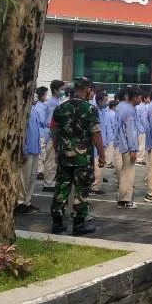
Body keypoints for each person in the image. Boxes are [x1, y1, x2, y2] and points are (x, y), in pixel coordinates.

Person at [50, 77, 105, 235]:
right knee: (81, 189)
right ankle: (79, 224)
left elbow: (54, 132)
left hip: (64, 156)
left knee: (61, 188)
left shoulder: (60, 108)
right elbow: (96, 134)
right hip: (82, 158)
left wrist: (57, 150)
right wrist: (102, 155)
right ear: (87, 89)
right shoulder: (90, 109)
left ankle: (57, 223)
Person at [17, 88, 46, 214]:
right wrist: (23, 149)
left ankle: (27, 202)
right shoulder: (23, 111)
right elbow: (20, 132)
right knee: (24, 177)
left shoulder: (33, 110)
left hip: (35, 149)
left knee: (32, 177)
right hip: (27, 149)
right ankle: (20, 202)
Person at [115, 87, 140, 209]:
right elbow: (130, 131)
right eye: (139, 97)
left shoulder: (120, 106)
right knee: (128, 173)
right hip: (127, 146)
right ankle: (124, 200)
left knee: (123, 171)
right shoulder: (129, 109)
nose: (141, 99)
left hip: (120, 144)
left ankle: (122, 197)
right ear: (134, 97)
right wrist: (133, 149)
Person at [41, 79, 65, 191]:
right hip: (52, 135)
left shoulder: (57, 101)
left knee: (54, 159)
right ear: (55, 90)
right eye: (61, 89)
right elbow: (52, 122)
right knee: (50, 159)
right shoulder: (53, 103)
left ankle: (51, 181)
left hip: (55, 135)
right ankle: (48, 183)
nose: (63, 91)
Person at [90, 92, 112, 195]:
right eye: (105, 100)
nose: (106, 103)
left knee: (101, 166)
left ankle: (96, 186)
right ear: (99, 101)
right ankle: (94, 188)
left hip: (103, 142)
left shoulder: (103, 112)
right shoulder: (94, 111)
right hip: (96, 144)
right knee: (97, 166)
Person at [135, 93, 149, 166]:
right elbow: (143, 119)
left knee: (140, 144)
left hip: (139, 128)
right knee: (141, 145)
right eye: (147, 98)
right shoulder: (142, 107)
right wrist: (145, 128)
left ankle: (139, 158)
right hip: (142, 129)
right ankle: (139, 159)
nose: (149, 100)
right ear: (144, 99)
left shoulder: (141, 106)